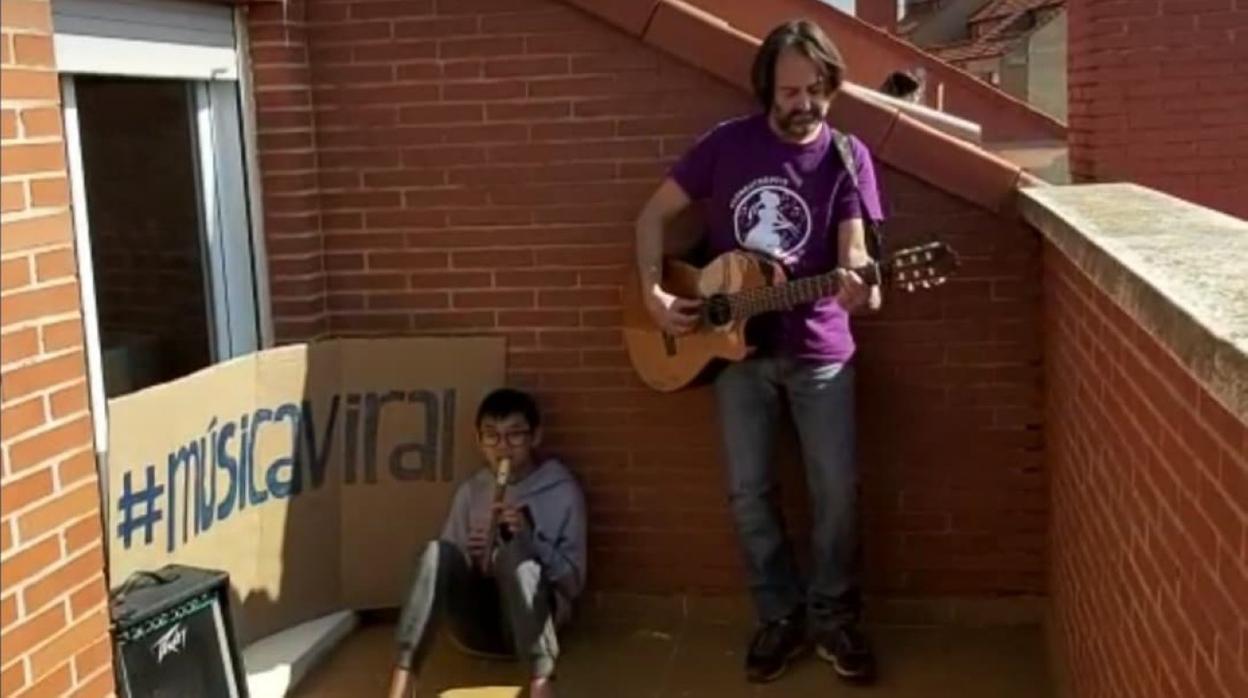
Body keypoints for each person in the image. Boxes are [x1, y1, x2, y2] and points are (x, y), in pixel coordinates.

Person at [633, 19, 884, 686]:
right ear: (766, 90)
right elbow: (651, 217)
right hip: (732, 355)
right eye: (789, 91)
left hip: (821, 350)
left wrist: (864, 287)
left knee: (837, 493)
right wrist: (655, 294)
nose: (803, 104)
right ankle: (779, 616)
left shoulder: (848, 157)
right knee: (748, 493)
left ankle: (833, 617)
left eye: (815, 90)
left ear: (831, 86)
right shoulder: (725, 146)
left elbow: (856, 254)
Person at [388, 389, 587, 698]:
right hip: (475, 630)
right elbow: (443, 570)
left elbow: (573, 585)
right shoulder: (472, 490)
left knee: (515, 556)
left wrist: (529, 540)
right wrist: (473, 557)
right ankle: (404, 674)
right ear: (478, 440)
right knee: (434, 552)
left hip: (532, 627)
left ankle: (541, 681)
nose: (503, 447)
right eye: (491, 436)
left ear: (535, 437)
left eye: (515, 436)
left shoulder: (562, 491)